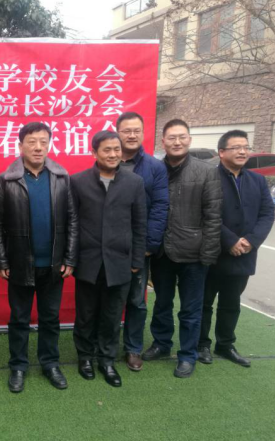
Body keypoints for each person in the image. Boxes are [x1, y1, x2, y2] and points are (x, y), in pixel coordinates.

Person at [0, 122, 78, 393]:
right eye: (32, 142)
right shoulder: (6, 180)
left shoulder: (62, 178)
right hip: (19, 264)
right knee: (19, 318)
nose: (38, 147)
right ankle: (18, 365)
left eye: (43, 141)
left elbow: (72, 220)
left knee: (50, 318)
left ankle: (50, 363)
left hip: (53, 264)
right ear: (20, 146)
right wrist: (1, 261)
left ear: (49, 145)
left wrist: (70, 258)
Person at [143, 119, 222, 378]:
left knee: (190, 309)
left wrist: (208, 254)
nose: (177, 142)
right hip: (162, 251)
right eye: (171, 137)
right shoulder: (155, 169)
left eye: (182, 137)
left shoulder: (206, 171)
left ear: (189, 139)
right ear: (162, 141)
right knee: (162, 303)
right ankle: (161, 343)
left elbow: (213, 216)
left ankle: (187, 355)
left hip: (194, 254)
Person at [71, 130, 147, 388]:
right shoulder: (78, 182)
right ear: (94, 152)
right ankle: (85, 357)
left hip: (120, 261)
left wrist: (136, 261)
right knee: (86, 314)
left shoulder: (134, 182)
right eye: (107, 150)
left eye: (117, 149)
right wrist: (71, 259)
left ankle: (107, 360)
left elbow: (139, 224)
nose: (113, 154)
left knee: (112, 315)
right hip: (88, 261)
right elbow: (71, 224)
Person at [198, 130, 274, 367]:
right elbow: (204, 213)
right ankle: (201, 344)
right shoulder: (208, 177)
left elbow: (267, 213)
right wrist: (229, 240)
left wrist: (251, 241)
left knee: (231, 303)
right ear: (222, 152)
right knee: (204, 303)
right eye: (236, 147)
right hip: (213, 253)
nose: (243, 152)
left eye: (246, 147)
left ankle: (225, 344)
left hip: (244, 254)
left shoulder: (257, 181)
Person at [117, 112, 169, 372]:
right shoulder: (107, 160)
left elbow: (160, 207)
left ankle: (133, 348)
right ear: (118, 132)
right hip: (109, 246)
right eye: (127, 130)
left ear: (143, 132)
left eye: (136, 130)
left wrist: (148, 244)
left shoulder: (154, 167)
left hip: (139, 246)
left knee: (136, 301)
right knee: (108, 299)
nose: (132, 135)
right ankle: (103, 346)